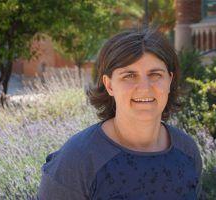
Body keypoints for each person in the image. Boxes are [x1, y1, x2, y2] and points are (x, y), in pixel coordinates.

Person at [37, 27, 202, 200]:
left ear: (170, 80)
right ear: (109, 85)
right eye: (129, 75)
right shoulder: (78, 161)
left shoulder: (187, 151)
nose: (144, 88)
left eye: (155, 74)